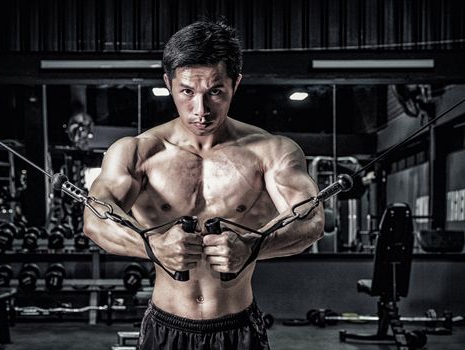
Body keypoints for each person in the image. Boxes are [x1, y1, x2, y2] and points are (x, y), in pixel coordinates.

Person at [83, 19, 324, 350]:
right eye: (187, 92)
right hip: (165, 327)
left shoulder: (270, 152)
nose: (201, 110)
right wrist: (152, 246)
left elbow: (311, 220)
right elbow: (95, 220)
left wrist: (253, 245)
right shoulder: (138, 152)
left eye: (215, 91)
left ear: (234, 84)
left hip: (237, 327)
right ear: (168, 83)